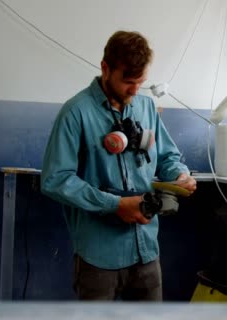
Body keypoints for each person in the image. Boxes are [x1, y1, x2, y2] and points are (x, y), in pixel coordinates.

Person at [41, 30, 197, 301]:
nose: (135, 90)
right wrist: (115, 205)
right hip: (98, 257)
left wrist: (180, 175)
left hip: (146, 250)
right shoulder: (75, 112)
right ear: (105, 68)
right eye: (128, 81)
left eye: (141, 82)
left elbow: (167, 157)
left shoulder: (146, 107)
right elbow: (55, 179)